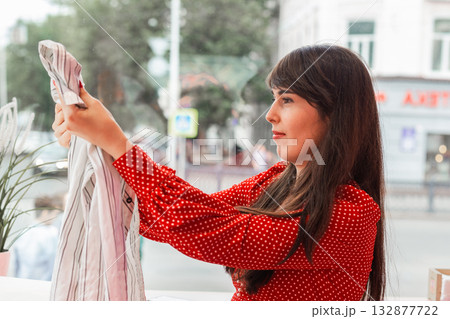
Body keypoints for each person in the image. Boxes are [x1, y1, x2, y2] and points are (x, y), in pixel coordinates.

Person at [52, 44, 386, 301]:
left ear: (334, 113)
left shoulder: (352, 213)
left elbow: (202, 227)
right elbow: (171, 220)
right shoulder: (276, 182)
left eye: (287, 100)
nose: (270, 115)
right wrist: (97, 148)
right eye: (274, 98)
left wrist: (117, 144)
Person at [12, 195, 63, 281]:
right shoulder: (51, 233)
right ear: (45, 212)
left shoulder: (23, 232)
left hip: (21, 284)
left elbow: (15, 264)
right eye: (55, 214)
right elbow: (54, 265)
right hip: (43, 286)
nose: (55, 218)